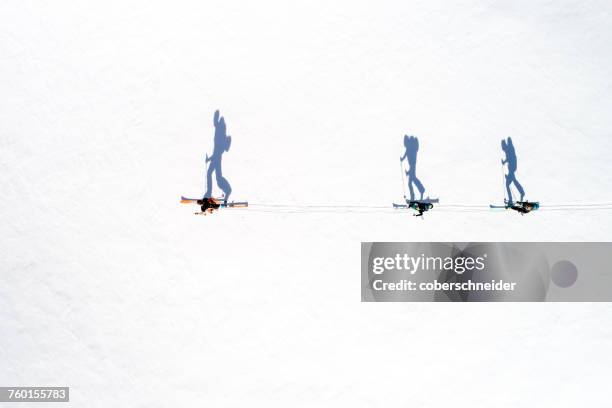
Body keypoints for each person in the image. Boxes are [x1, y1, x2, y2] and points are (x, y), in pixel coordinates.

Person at [204, 110, 232, 203]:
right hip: (216, 158)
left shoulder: (220, 135)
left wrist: (210, 159)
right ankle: (209, 193)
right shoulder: (219, 133)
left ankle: (227, 191)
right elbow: (215, 123)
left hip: (216, 159)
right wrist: (209, 159)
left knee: (217, 178)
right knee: (215, 177)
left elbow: (217, 152)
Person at [400, 135, 425, 201]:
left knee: (410, 182)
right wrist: (408, 172)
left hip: (412, 165)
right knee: (413, 180)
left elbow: (404, 157)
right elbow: (405, 157)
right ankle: (421, 191)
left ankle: (414, 196)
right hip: (413, 165)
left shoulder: (408, 149)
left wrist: (402, 159)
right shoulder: (410, 149)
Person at [501, 137, 524, 204]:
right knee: (513, 182)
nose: (502, 149)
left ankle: (512, 199)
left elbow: (509, 158)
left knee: (508, 184)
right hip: (512, 168)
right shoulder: (509, 148)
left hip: (512, 169)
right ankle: (522, 193)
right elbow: (509, 158)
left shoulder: (509, 149)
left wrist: (504, 162)